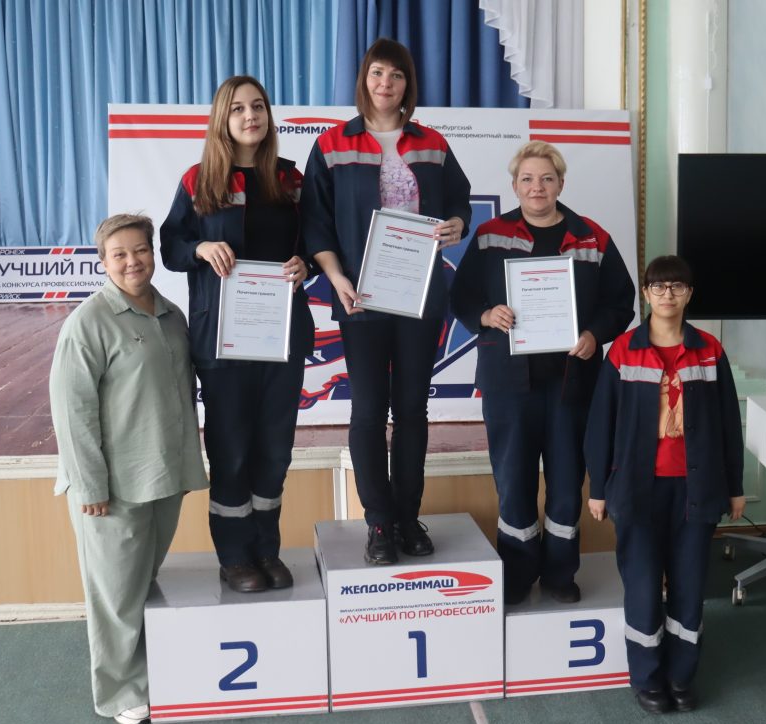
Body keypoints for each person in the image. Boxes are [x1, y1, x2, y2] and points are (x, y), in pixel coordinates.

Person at [300, 38, 471, 564]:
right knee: (370, 410)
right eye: (377, 73)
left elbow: (459, 201)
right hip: (361, 298)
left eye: (396, 75)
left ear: (407, 84)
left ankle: (407, 517)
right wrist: (336, 278)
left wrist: (457, 224)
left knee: (413, 409)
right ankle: (378, 521)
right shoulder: (332, 144)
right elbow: (316, 222)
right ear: (364, 80)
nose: (386, 83)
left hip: (420, 297)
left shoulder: (433, 143)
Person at [450, 140, 635, 604]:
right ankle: (516, 573)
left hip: (572, 384)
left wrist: (595, 333)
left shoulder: (592, 237)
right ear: (515, 185)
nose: (537, 187)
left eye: (547, 179)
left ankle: (559, 574)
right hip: (508, 385)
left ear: (561, 184)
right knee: (513, 482)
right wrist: (486, 314)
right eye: (528, 179)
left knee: (567, 483)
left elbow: (621, 302)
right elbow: (461, 295)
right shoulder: (490, 235)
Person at [50, 214, 208, 724]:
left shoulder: (171, 314)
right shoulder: (88, 323)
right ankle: (120, 694)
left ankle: (146, 674)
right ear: (103, 262)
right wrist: (90, 485)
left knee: (141, 585)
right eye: (119, 254)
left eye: (140, 250)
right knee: (115, 597)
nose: (132, 261)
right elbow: (72, 412)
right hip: (112, 488)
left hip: (162, 475)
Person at [160, 75, 314, 592]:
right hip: (221, 341)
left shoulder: (290, 180)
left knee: (275, 448)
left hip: (280, 337)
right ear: (222, 119)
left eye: (259, 106)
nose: (251, 116)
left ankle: (267, 549)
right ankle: (234, 557)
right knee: (232, 448)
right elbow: (171, 247)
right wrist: (201, 249)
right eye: (239, 109)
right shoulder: (199, 180)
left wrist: (306, 264)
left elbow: (317, 242)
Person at [585, 255, 745, 714]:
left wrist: (734, 486)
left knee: (689, 587)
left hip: (697, 490)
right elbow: (600, 424)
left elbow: (728, 424)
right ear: (646, 294)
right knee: (641, 585)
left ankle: (680, 675)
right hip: (636, 491)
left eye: (677, 286)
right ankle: (647, 678)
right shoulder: (623, 351)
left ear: (689, 294)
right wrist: (598, 488)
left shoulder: (710, 350)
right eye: (658, 286)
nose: (667, 294)